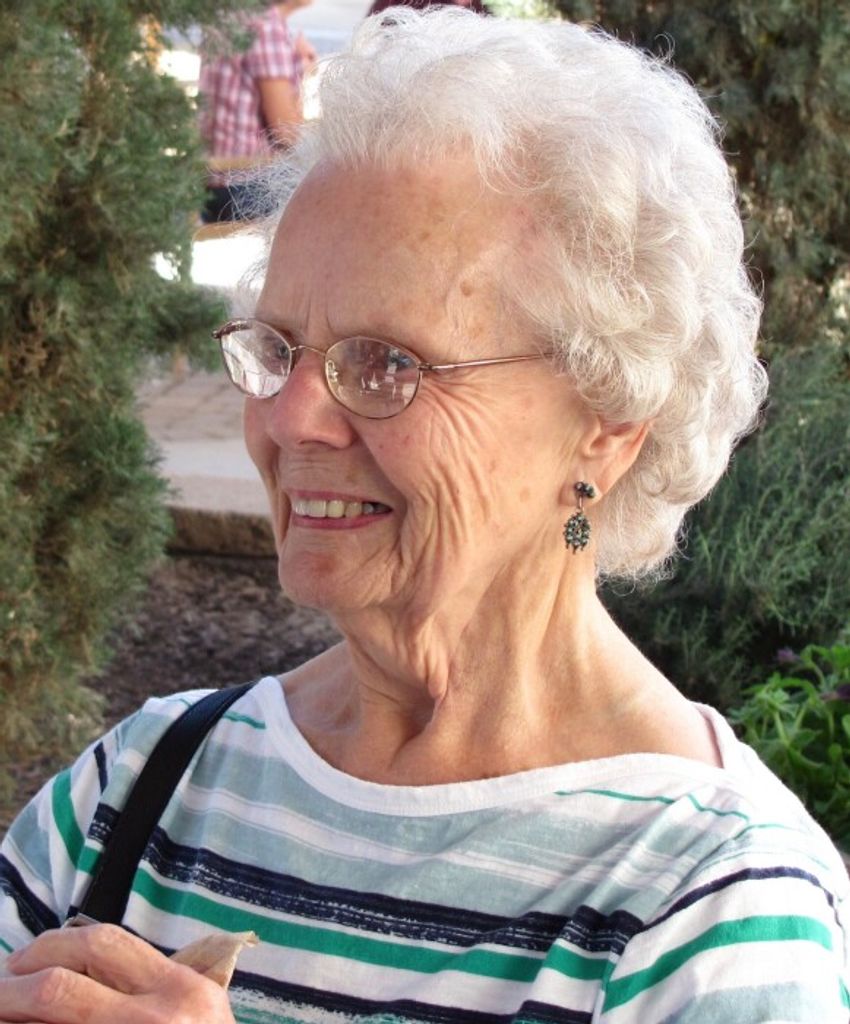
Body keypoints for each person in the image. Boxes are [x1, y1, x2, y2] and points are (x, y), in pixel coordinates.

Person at [1, 9, 848, 1023]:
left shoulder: (710, 906)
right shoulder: (142, 788)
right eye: (277, 348)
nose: (291, 417)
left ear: (608, 420)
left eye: (387, 362)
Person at [198, 1, 316, 223]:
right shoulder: (268, 28)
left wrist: (298, 65)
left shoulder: (234, 13)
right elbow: (287, 133)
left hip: (211, 183)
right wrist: (306, 75)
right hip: (245, 186)